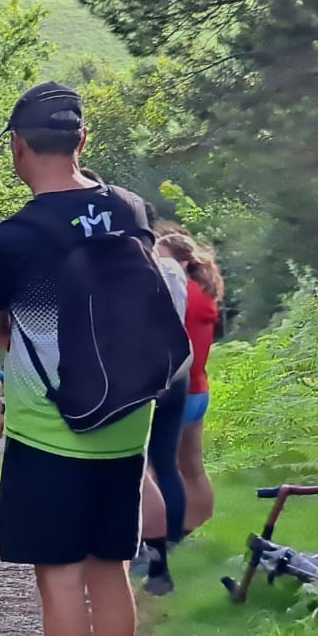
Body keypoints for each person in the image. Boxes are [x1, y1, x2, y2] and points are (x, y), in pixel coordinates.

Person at [0, 81, 156, 636]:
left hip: (53, 430)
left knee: (60, 576)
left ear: (18, 146)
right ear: (82, 141)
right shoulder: (130, 210)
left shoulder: (13, 237)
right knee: (110, 568)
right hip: (127, 421)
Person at [157, 230, 224, 534]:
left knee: (158, 469)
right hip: (199, 389)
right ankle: (196, 530)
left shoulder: (178, 293)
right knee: (193, 469)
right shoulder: (206, 294)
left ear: (180, 263)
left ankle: (163, 535)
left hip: (176, 389)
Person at [138, 237, 191, 595]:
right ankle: (169, 543)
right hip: (178, 373)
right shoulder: (175, 270)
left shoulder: (133, 267)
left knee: (135, 466)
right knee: (167, 464)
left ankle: (146, 549)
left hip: (143, 374)